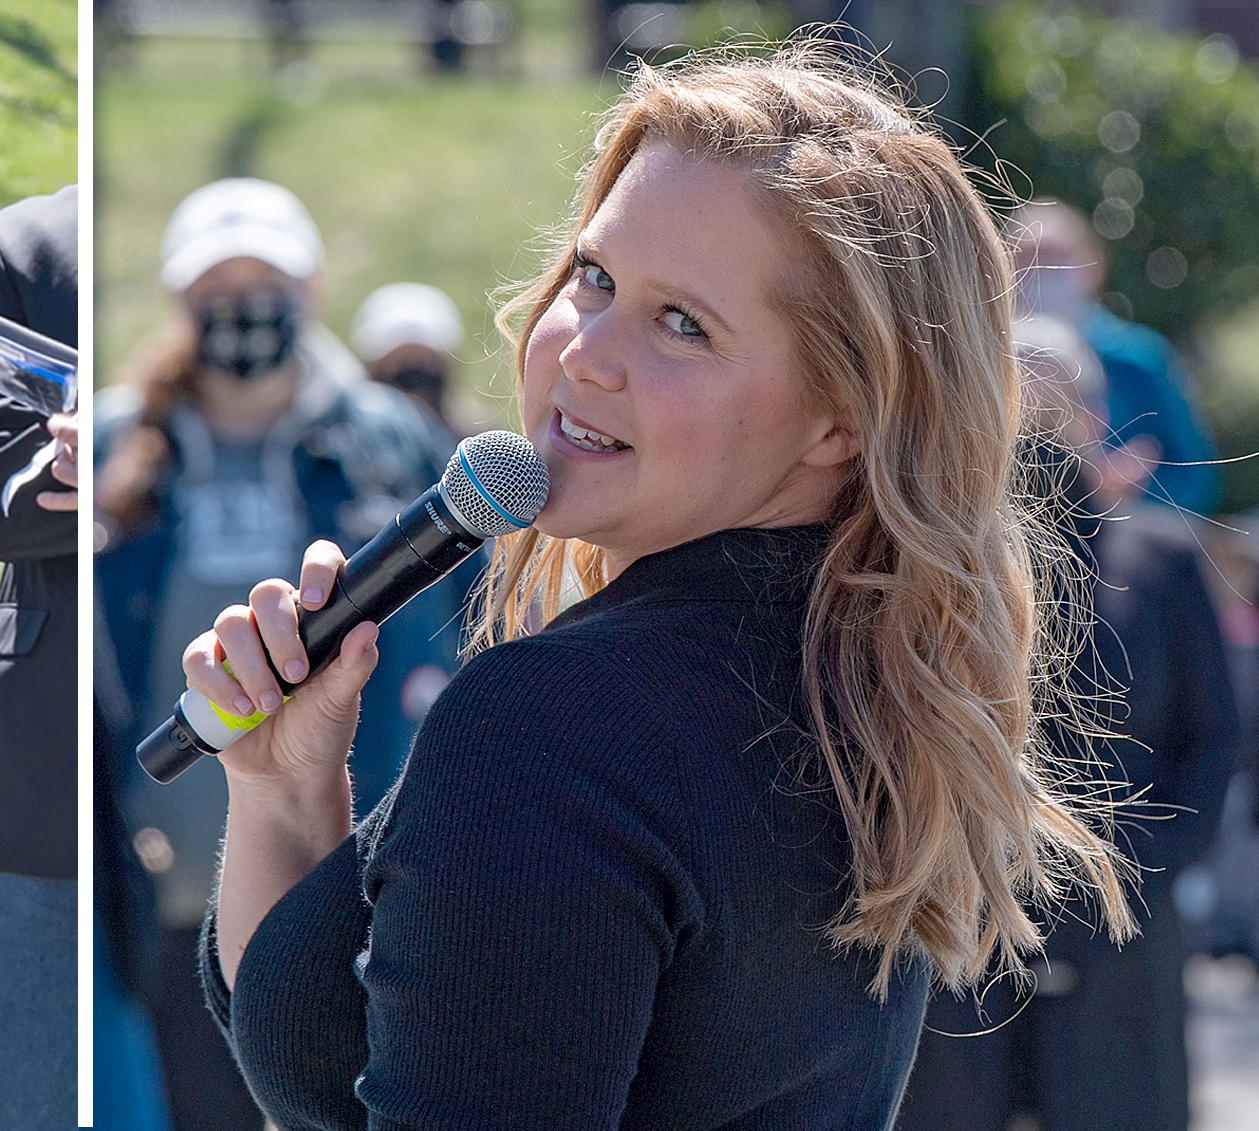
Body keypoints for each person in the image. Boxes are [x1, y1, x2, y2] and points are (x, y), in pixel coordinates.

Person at [186, 46, 1135, 1127]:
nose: (586, 352)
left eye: (681, 323)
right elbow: (338, 1061)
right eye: (594, 277)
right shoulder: (857, 690)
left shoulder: (560, 727)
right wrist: (283, 790)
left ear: (844, 416)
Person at [94, 176, 455, 1131]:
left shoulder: (389, 437)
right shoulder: (117, 442)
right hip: (172, 883)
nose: (243, 306)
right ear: (181, 302)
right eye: (219, 286)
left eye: (267, 280)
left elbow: (466, 624)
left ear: (313, 290)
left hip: (362, 875)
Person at [899, 316, 1241, 1131]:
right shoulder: (926, 559)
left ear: (1094, 418)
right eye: (1017, 398)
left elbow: (1216, 736)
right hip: (961, 933)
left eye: (1057, 401)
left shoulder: (1160, 557)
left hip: (1122, 940)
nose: (1037, 421)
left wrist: (1138, 868)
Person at [0, 183, 78, 1130]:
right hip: (48, 748)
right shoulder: (18, 249)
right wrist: (70, 475)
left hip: (228, 734)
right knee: (23, 1094)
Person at [1013, 198, 1221, 516]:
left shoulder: (1139, 358)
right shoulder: (993, 364)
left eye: (1057, 257)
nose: (1043, 273)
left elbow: (1196, 479)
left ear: (1093, 265)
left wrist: (1125, 495)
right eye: (1029, 260)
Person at [349, 281, 465, 436]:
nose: (414, 373)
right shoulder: (344, 443)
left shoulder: (472, 443)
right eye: (400, 361)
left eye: (424, 360)